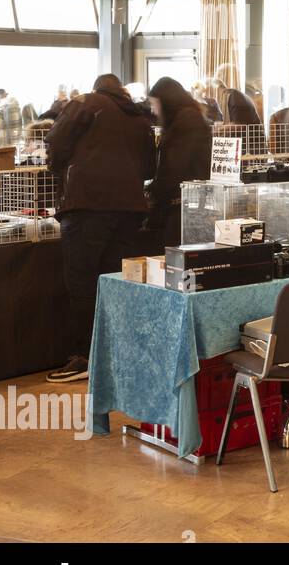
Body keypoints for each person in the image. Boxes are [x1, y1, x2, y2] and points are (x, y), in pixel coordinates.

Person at [43, 75, 155, 384]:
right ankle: (113, 354)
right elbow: (149, 168)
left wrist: (63, 170)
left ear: (97, 87)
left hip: (87, 206)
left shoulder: (86, 103)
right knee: (115, 283)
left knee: (81, 282)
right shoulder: (139, 116)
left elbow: (55, 140)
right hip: (130, 210)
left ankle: (85, 357)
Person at [147, 77, 211, 249]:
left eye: (154, 103)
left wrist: (154, 190)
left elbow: (175, 166)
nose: (153, 110)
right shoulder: (189, 118)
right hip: (187, 204)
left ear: (166, 101)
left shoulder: (186, 120)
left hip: (184, 207)